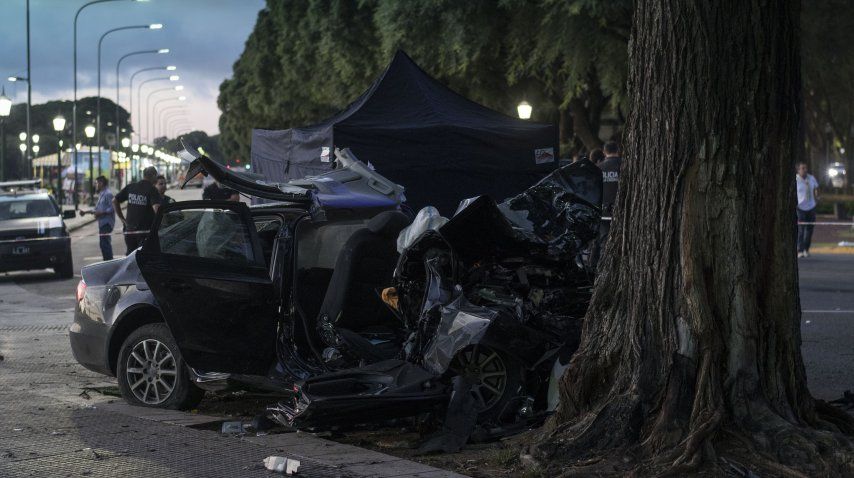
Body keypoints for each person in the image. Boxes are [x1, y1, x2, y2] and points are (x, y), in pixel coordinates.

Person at [113, 166, 162, 255]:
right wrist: (162, 224)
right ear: (153, 176)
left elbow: (114, 201)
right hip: (144, 233)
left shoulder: (131, 187)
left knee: (130, 256)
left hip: (129, 230)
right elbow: (157, 209)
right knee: (145, 257)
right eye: (156, 175)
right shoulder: (152, 189)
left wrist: (122, 219)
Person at [590, 141, 623, 269]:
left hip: (603, 213)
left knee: (605, 242)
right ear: (618, 150)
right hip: (621, 213)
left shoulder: (598, 168)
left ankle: (604, 270)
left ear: (604, 152)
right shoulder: (624, 165)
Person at [80, 176, 115, 261]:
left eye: (97, 183)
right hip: (102, 222)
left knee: (105, 244)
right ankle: (107, 262)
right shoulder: (102, 194)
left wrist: (101, 212)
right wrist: (85, 212)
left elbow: (112, 208)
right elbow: (96, 209)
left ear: (101, 183)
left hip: (107, 223)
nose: (96, 185)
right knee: (103, 244)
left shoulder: (108, 194)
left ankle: (109, 263)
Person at [796, 162, 820, 258]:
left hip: (811, 207)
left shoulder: (811, 178)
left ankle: (806, 249)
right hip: (800, 207)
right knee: (801, 230)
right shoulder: (796, 180)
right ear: (798, 170)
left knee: (809, 230)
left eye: (806, 168)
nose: (805, 170)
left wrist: (817, 197)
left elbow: (817, 188)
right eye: (803, 168)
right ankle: (800, 250)